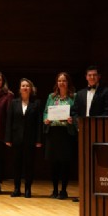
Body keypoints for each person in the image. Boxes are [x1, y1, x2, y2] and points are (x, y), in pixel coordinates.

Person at [71, 65, 108, 202]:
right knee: (84, 164)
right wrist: (79, 127)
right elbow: (74, 112)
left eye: (94, 75)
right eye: (89, 75)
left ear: (99, 76)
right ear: (86, 77)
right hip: (83, 133)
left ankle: (97, 193)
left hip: (99, 134)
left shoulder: (106, 91)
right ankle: (84, 193)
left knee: (98, 164)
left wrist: (98, 128)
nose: (92, 77)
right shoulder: (81, 93)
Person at [4, 78, 43, 198]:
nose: (25, 88)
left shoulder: (36, 103)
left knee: (29, 165)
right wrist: (8, 138)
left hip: (30, 139)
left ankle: (28, 189)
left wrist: (38, 139)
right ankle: (16, 188)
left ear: (31, 89)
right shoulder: (14, 103)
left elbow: (38, 123)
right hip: (16, 139)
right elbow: (9, 121)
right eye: (23, 86)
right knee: (16, 164)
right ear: (20, 89)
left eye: (27, 86)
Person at [44, 72, 77, 200]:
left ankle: (63, 190)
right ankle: (55, 189)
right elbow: (46, 112)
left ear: (68, 83)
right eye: (59, 81)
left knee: (65, 163)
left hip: (66, 133)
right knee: (54, 163)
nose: (61, 83)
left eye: (64, 81)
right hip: (53, 132)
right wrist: (46, 119)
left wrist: (72, 119)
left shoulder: (73, 97)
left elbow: (76, 113)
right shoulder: (51, 97)